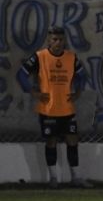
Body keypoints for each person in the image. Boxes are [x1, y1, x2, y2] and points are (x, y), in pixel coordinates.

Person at [17, 26, 91, 189]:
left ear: (64, 40)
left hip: (67, 108)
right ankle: (54, 179)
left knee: (73, 140)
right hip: (48, 109)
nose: (58, 43)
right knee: (51, 141)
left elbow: (82, 75)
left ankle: (76, 178)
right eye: (54, 39)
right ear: (49, 41)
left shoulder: (71, 57)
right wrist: (33, 92)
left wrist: (78, 91)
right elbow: (21, 74)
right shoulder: (39, 56)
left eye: (60, 39)